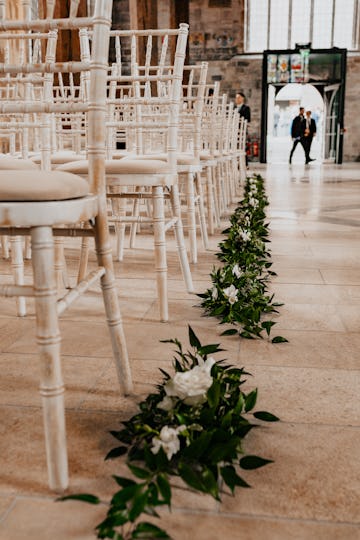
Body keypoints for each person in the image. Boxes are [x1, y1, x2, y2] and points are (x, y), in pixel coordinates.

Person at [235, 92, 251, 165]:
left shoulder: (246, 108)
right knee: (235, 147)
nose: (237, 99)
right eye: (236, 97)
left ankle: (245, 163)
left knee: (243, 146)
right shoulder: (234, 108)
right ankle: (236, 163)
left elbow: (248, 119)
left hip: (242, 130)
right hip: (234, 130)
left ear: (242, 98)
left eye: (238, 97)